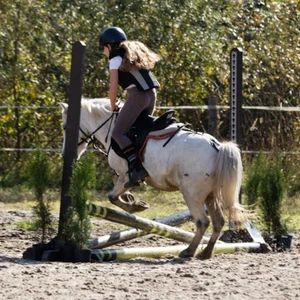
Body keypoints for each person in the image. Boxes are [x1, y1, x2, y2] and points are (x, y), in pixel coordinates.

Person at [99, 26, 161, 187]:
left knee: (118, 133)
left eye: (103, 48)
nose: (104, 52)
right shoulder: (132, 55)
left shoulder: (114, 58)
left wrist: (113, 105)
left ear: (109, 46)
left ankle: (137, 168)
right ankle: (149, 161)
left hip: (137, 97)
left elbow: (113, 88)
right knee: (139, 130)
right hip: (151, 96)